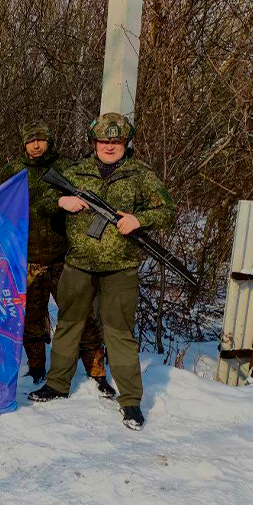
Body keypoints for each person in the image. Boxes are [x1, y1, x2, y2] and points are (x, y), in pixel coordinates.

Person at [28, 113, 176, 430]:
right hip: (78, 263)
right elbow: (41, 200)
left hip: (120, 269)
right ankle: (56, 384)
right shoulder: (75, 171)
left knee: (120, 332)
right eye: (104, 141)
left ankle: (131, 401)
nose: (109, 147)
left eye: (116, 141)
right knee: (68, 324)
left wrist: (140, 220)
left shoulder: (141, 174)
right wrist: (62, 201)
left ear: (125, 143)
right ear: (94, 142)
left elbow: (168, 211)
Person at [0, 121, 112, 396]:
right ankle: (37, 367)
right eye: (30, 140)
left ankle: (96, 371)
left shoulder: (67, 168)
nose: (36, 145)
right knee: (31, 317)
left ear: (49, 141)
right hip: (29, 258)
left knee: (81, 314)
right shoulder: (14, 171)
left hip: (66, 257)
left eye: (41, 140)